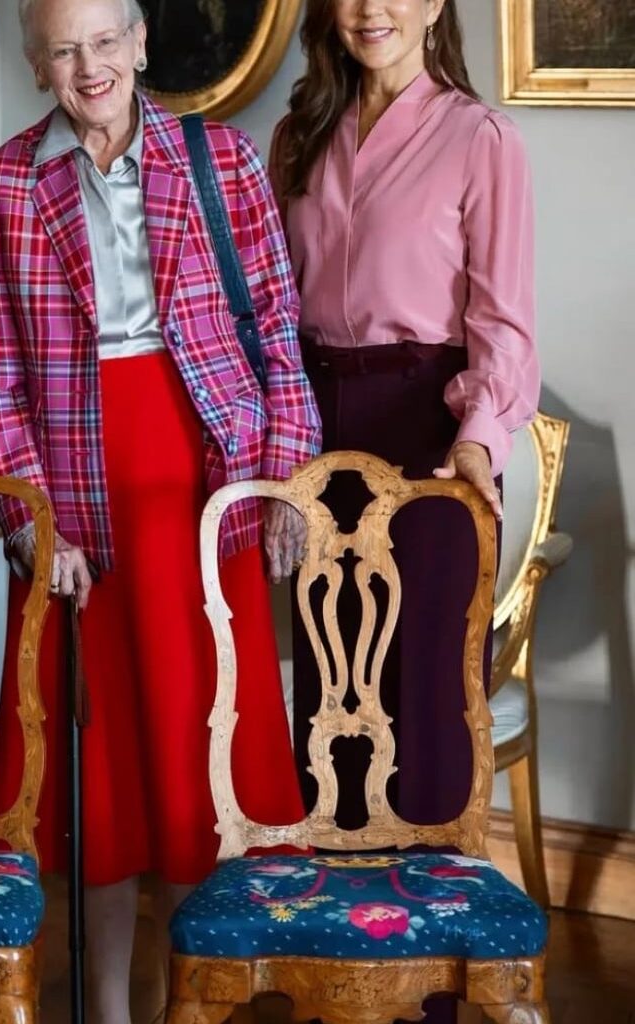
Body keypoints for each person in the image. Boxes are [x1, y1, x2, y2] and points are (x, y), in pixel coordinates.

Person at [0, 0, 321, 1018]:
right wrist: (34, 523)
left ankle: (194, 999)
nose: (91, 68)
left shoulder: (222, 160)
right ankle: (109, 1005)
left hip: (208, 490)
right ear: (36, 66)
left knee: (200, 755)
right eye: (65, 50)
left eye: (107, 42)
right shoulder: (1, 183)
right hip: (75, 491)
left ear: (141, 45)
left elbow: (277, 338)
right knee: (101, 769)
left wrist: (283, 474)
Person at [269, 1, 538, 1020]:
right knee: (331, 696)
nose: (370, 6)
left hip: (432, 436)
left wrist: (476, 439)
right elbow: (270, 304)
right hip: (316, 430)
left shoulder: (481, 137)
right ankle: (335, 968)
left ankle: (419, 984)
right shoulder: (297, 133)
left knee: (420, 701)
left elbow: (504, 320)